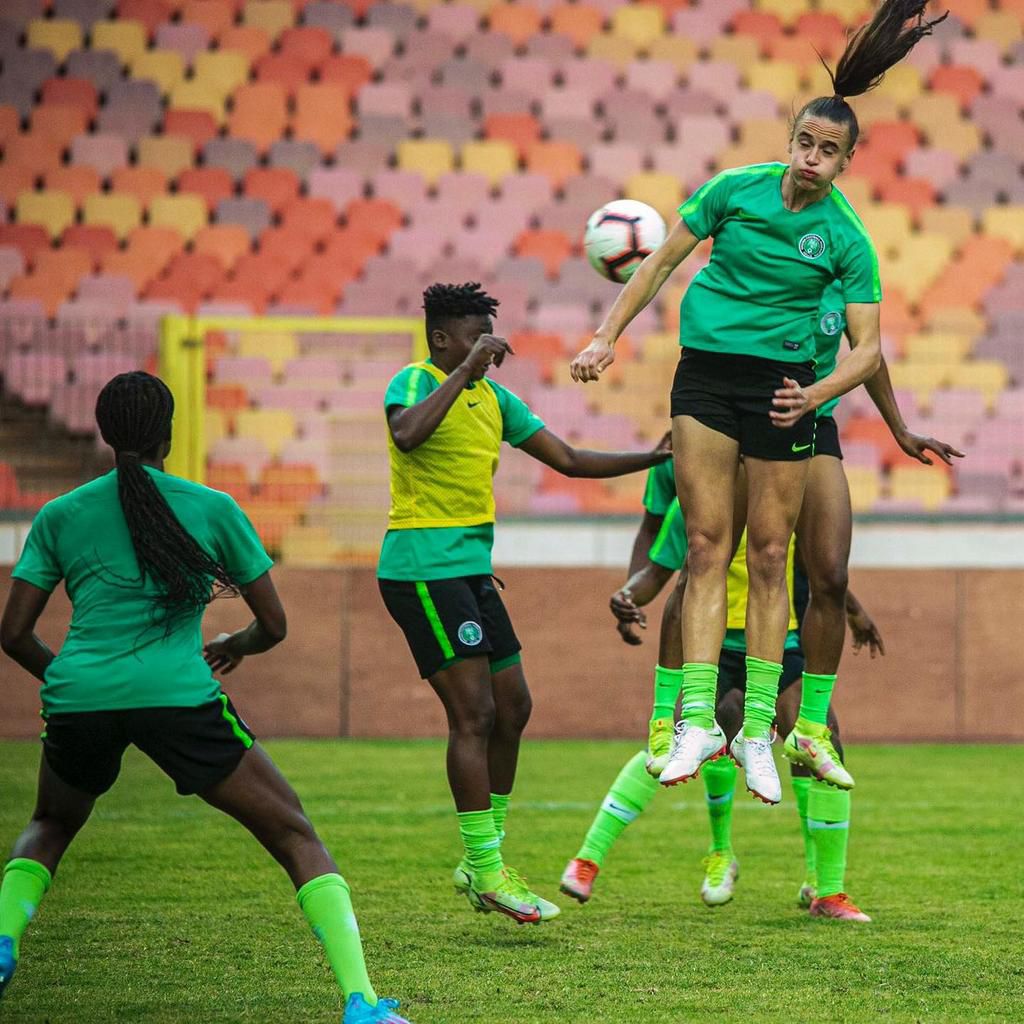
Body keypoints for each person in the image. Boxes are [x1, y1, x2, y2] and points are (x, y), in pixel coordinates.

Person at [570, 1, 947, 806]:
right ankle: (696, 720)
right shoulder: (734, 191)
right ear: (790, 142)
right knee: (708, 546)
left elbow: (870, 351)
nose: (813, 160)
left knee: (776, 559)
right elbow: (660, 263)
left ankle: (762, 736)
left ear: (847, 164)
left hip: (786, 395)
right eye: (806, 143)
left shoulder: (846, 240)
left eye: (830, 152)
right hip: (705, 379)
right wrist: (605, 336)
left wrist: (816, 396)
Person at [0, 372, 411, 1024]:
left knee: (49, 825)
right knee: (294, 833)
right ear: (169, 431)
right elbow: (274, 625)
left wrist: (65, 679)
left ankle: (2, 945)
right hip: (179, 697)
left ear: (106, 434)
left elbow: (12, 633)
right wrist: (238, 644)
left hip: (80, 699)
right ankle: (361, 1002)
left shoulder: (60, 515)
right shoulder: (212, 508)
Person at [378, 282, 671, 926]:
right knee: (475, 713)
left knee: (514, 706)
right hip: (423, 570)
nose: (490, 348)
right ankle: (486, 870)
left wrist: (651, 457)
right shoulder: (415, 380)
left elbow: (566, 459)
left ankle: (485, 861)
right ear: (442, 339)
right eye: (476, 336)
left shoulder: (495, 399)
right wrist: (461, 371)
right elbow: (406, 435)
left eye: (492, 337)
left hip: (471, 572)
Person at [561, 492, 883, 921]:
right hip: (713, 648)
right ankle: (590, 859)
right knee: (676, 745)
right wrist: (628, 594)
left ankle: (826, 889)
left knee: (823, 741)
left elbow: (820, 568)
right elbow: (660, 570)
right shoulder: (696, 500)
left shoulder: (790, 496)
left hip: (779, 646)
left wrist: (855, 612)